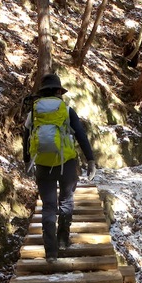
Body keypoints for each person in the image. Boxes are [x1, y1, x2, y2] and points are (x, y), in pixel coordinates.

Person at [23, 73, 97, 263]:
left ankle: (51, 253)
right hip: (67, 164)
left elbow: (26, 137)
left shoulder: (34, 112)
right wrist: (90, 160)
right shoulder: (67, 110)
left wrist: (27, 161)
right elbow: (81, 134)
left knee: (48, 206)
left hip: (42, 164)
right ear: (58, 91)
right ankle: (63, 239)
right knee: (66, 200)